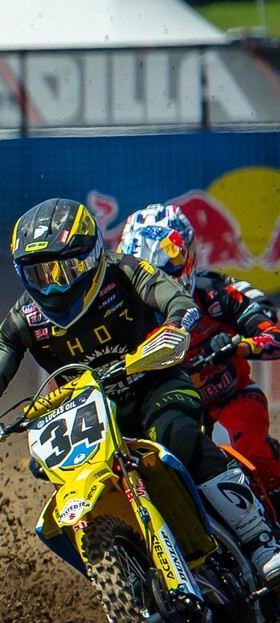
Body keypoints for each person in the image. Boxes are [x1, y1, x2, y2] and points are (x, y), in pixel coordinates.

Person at [0, 197, 280, 586]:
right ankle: (124, 581)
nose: (52, 284)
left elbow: (177, 300)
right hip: (92, 410)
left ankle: (260, 542)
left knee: (178, 434)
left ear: (89, 258)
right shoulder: (22, 318)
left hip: (155, 383)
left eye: (63, 269)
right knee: (54, 474)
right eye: (38, 275)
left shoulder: (123, 272)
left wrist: (174, 328)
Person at [119, 203, 280, 490]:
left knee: (254, 453)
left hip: (230, 398)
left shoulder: (214, 291)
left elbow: (272, 331)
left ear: (188, 260)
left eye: (168, 271)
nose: (161, 285)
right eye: (147, 276)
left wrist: (238, 346)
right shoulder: (119, 316)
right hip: (166, 410)